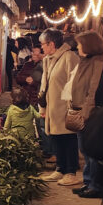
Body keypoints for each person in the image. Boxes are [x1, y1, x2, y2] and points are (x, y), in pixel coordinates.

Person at [38, 28, 81, 185]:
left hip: (65, 107)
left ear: (51, 43)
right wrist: (42, 107)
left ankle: (71, 172)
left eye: (43, 44)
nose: (41, 47)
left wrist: (73, 107)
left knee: (68, 138)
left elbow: (76, 84)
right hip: (52, 107)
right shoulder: (47, 59)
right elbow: (45, 83)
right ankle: (60, 169)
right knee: (56, 137)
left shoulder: (69, 57)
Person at [68, 31, 103, 198]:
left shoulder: (98, 62)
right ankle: (87, 182)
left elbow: (93, 89)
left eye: (80, 44)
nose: (77, 47)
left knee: (91, 151)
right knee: (84, 149)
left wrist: (86, 112)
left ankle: (94, 185)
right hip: (78, 110)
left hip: (88, 114)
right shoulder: (84, 61)